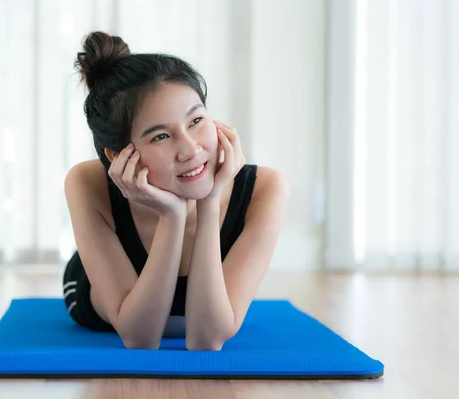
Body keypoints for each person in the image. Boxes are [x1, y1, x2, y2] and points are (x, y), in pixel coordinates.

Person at [62, 31, 290, 351]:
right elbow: (139, 339)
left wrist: (209, 201)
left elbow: (207, 340)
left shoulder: (265, 189)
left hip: (209, 306)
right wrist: (173, 214)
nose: (190, 149)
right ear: (118, 155)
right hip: (104, 295)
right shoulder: (87, 182)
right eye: (160, 137)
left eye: (196, 120)